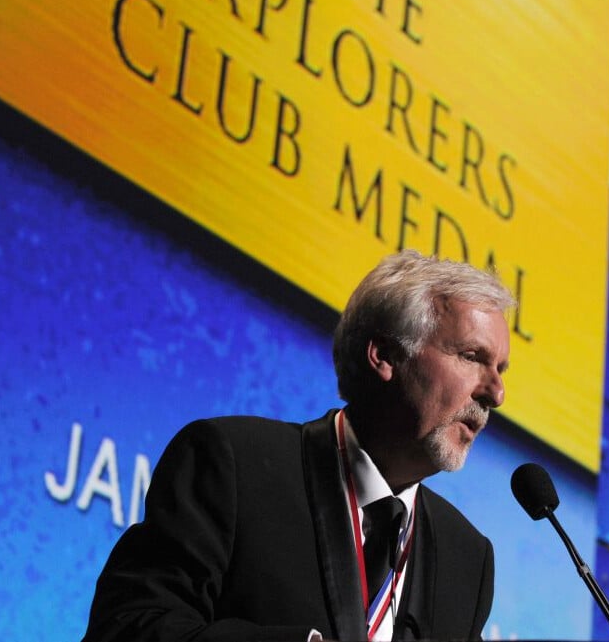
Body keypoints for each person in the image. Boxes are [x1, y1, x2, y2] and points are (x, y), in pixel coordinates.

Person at [81, 249, 514, 642]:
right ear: (384, 354)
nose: (495, 394)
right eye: (472, 357)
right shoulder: (234, 465)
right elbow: (126, 627)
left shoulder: (466, 558)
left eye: (501, 369)